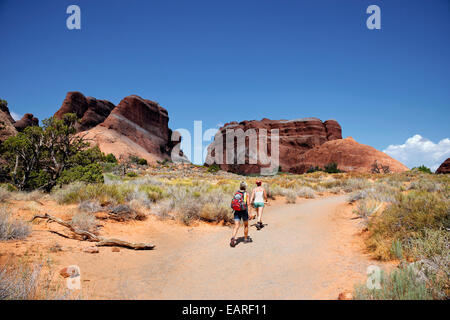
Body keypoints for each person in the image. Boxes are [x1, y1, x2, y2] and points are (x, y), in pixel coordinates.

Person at [230, 181, 252, 247]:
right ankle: (245, 239)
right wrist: (250, 213)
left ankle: (233, 238)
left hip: (236, 211)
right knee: (245, 225)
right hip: (244, 211)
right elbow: (248, 204)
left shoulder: (236, 193)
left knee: (236, 226)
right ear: (245, 187)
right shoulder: (246, 194)